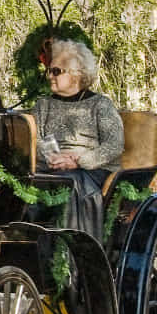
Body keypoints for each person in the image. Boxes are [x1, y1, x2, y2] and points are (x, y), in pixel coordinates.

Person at [31, 38, 125, 237]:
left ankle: (73, 253)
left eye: (56, 71)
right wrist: (53, 158)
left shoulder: (100, 105)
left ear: (76, 75)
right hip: (51, 167)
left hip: (91, 171)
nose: (50, 76)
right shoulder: (43, 105)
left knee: (68, 182)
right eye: (49, 70)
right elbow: (35, 139)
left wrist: (78, 160)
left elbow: (114, 145)